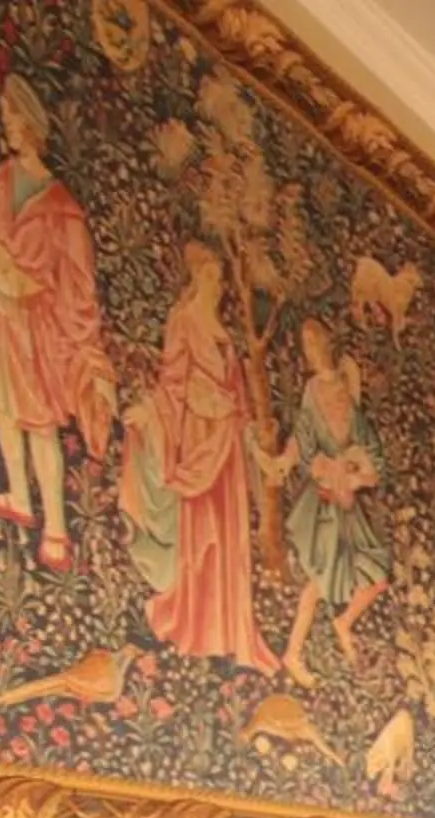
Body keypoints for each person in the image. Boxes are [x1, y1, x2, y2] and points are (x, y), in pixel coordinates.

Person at [0, 75, 116, 572]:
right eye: (5, 117)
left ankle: (56, 529)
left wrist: (31, 287)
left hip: (36, 330)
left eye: (12, 117)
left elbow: (77, 282)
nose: (7, 126)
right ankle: (19, 494)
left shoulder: (62, 208)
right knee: (1, 406)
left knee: (39, 423)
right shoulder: (2, 180)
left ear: (31, 123)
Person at [120, 241, 284, 672]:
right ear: (196, 277)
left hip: (227, 444)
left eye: (219, 277)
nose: (217, 284)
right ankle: (198, 625)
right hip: (198, 437)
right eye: (211, 276)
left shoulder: (224, 333)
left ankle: (229, 634)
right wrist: (150, 413)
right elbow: (173, 381)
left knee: (229, 537)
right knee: (203, 534)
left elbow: (239, 398)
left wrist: (253, 443)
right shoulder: (184, 320)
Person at [278, 319, 392, 680]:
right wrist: (300, 463)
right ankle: (294, 653)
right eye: (306, 346)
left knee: (377, 575)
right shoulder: (312, 391)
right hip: (326, 501)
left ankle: (343, 623)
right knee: (319, 581)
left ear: (327, 343)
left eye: (315, 343)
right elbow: (303, 439)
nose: (311, 352)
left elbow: (368, 445)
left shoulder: (345, 385)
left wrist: (361, 474)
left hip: (348, 501)